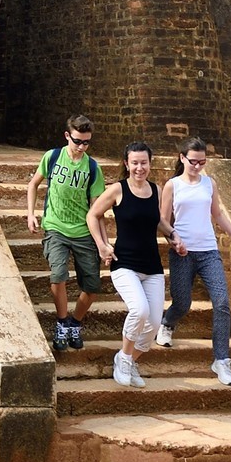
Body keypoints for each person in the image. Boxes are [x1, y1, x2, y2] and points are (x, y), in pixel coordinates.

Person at [157, 137, 231, 386]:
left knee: (221, 303)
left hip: (209, 251)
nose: (197, 166)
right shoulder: (172, 185)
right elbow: (163, 221)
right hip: (183, 253)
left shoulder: (210, 183)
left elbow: (217, 214)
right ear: (182, 158)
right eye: (193, 161)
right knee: (183, 303)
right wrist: (174, 241)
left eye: (202, 162)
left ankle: (221, 360)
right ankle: (167, 323)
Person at [87, 142, 167, 387]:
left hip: (152, 265)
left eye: (144, 163)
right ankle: (123, 358)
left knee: (153, 324)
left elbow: (159, 221)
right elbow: (93, 214)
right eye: (135, 163)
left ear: (150, 164)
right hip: (124, 264)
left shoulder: (157, 190)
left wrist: (174, 236)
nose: (139, 167)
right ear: (126, 164)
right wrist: (102, 245)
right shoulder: (117, 189)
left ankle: (130, 360)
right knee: (139, 310)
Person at [26, 116, 105, 353]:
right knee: (58, 275)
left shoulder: (92, 167)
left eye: (87, 143)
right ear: (67, 136)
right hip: (55, 227)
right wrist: (30, 214)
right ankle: (61, 322)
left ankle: (75, 323)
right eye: (78, 141)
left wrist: (103, 243)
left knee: (92, 286)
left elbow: (96, 209)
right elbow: (33, 184)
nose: (81, 147)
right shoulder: (52, 157)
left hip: (83, 231)